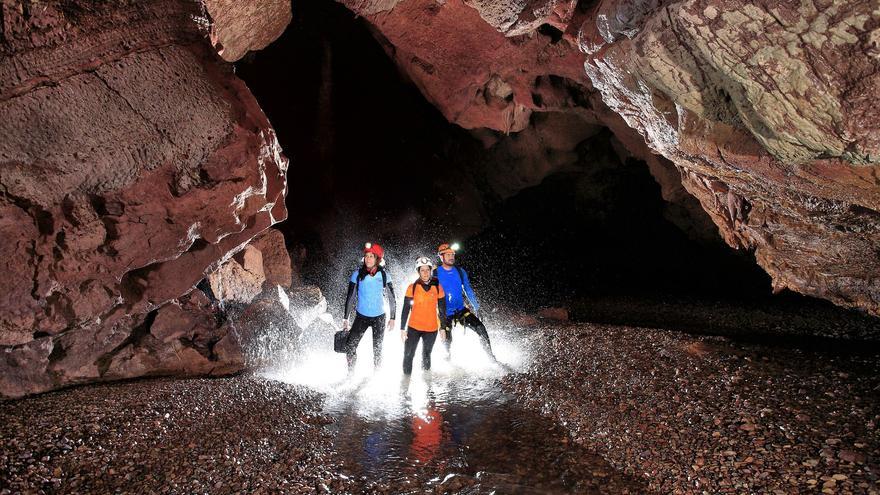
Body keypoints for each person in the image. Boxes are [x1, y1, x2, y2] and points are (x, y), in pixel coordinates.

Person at [434, 242, 496, 361]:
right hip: (444, 313)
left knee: (481, 329)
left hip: (460, 310)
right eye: (448, 255)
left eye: (452, 254)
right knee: (447, 339)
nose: (452, 257)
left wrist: (477, 307)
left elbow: (468, 290)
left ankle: (491, 357)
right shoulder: (435, 274)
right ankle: (447, 358)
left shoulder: (460, 271)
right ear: (441, 257)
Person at [342, 242, 396, 372]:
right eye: (367, 256)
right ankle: (351, 374)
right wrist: (345, 318)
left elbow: (392, 298)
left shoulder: (384, 275)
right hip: (361, 317)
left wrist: (393, 318)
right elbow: (350, 297)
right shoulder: (357, 274)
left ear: (377, 259)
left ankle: (376, 375)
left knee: (377, 349)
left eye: (372, 256)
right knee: (350, 346)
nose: (368, 259)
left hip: (379, 317)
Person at [399, 257, 448, 376]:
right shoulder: (412, 287)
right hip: (413, 327)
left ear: (431, 270)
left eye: (428, 270)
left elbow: (442, 309)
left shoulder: (438, 287)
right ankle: (405, 381)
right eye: (422, 270)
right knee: (408, 355)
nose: (425, 273)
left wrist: (443, 328)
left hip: (431, 329)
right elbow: (406, 308)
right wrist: (402, 328)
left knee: (426, 354)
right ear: (418, 271)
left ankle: (426, 381)